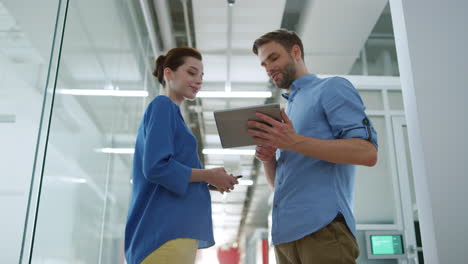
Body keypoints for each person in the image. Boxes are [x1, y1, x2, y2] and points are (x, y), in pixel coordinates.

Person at [247, 29, 378, 264]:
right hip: (285, 238)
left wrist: (294, 142)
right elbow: (279, 186)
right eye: (264, 64)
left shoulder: (331, 88)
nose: (269, 68)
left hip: (323, 230)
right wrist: (268, 158)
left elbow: (367, 152)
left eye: (274, 58)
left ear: (296, 52)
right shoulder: (287, 111)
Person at [124, 47, 239, 264]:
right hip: (164, 232)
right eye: (191, 72)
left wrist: (211, 181)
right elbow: (157, 167)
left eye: (201, 76)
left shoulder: (173, 115)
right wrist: (208, 175)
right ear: (169, 74)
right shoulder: (162, 106)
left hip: (175, 231)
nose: (198, 80)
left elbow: (170, 175)